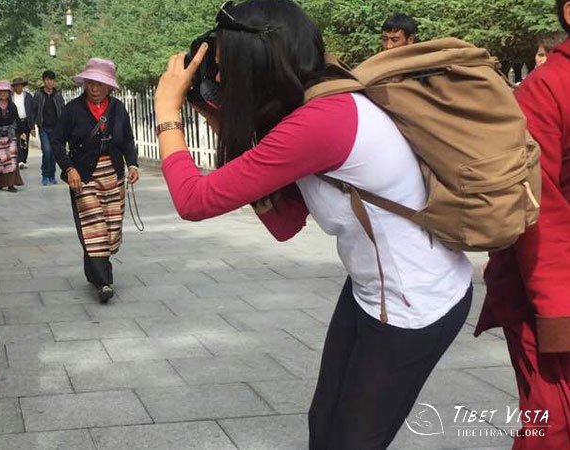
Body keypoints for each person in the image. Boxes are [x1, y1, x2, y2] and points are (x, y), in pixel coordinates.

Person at [154, 1, 471, 448]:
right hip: (369, 290)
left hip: (416, 300)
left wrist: (168, 111)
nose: (221, 81)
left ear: (258, 65)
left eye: (226, 68)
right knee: (324, 425)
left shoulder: (320, 121)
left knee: (350, 441)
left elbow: (193, 200)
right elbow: (285, 222)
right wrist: (216, 115)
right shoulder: (312, 101)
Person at [476, 1, 570, 448]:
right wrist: (556, 311)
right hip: (552, 290)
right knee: (550, 428)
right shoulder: (545, 89)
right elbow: (537, 208)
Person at [51, 58, 140, 302]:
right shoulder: (72, 110)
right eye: (91, 82)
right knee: (94, 227)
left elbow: (127, 141)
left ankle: (94, 273)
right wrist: (69, 169)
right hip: (83, 176)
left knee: (111, 228)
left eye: (100, 83)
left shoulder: (119, 109)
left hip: (112, 173)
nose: (95, 88)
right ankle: (104, 283)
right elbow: (57, 141)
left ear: (109, 86)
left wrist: (132, 164)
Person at [32, 70, 66, 186]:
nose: (49, 82)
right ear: (44, 81)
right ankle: (45, 175)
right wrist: (32, 126)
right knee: (47, 151)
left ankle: (52, 175)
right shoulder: (38, 95)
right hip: (44, 128)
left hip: (56, 128)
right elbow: (33, 111)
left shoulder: (58, 95)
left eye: (51, 80)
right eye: (47, 80)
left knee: (54, 153)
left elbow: (63, 110)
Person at [11, 77, 35, 169]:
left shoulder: (28, 96)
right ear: (14, 87)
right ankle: (19, 160)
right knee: (16, 141)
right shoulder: (11, 97)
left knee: (24, 141)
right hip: (15, 122)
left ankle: (24, 160)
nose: (18, 87)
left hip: (26, 122)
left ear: (22, 86)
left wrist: (32, 127)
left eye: (20, 85)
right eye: (16, 85)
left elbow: (32, 112)